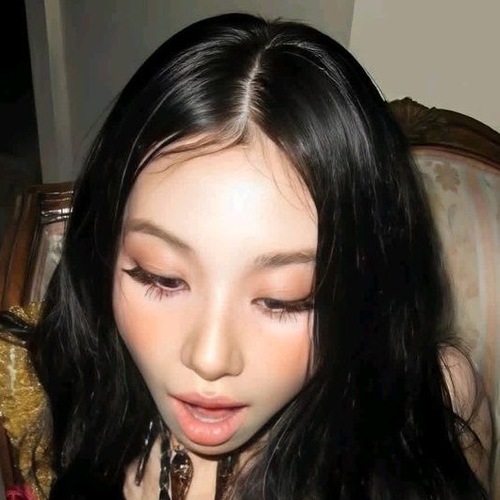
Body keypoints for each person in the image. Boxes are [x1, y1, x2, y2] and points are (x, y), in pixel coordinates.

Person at [2, 12, 492, 500]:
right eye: (161, 277)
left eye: (285, 299)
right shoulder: (65, 373)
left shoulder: (433, 406)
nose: (209, 358)